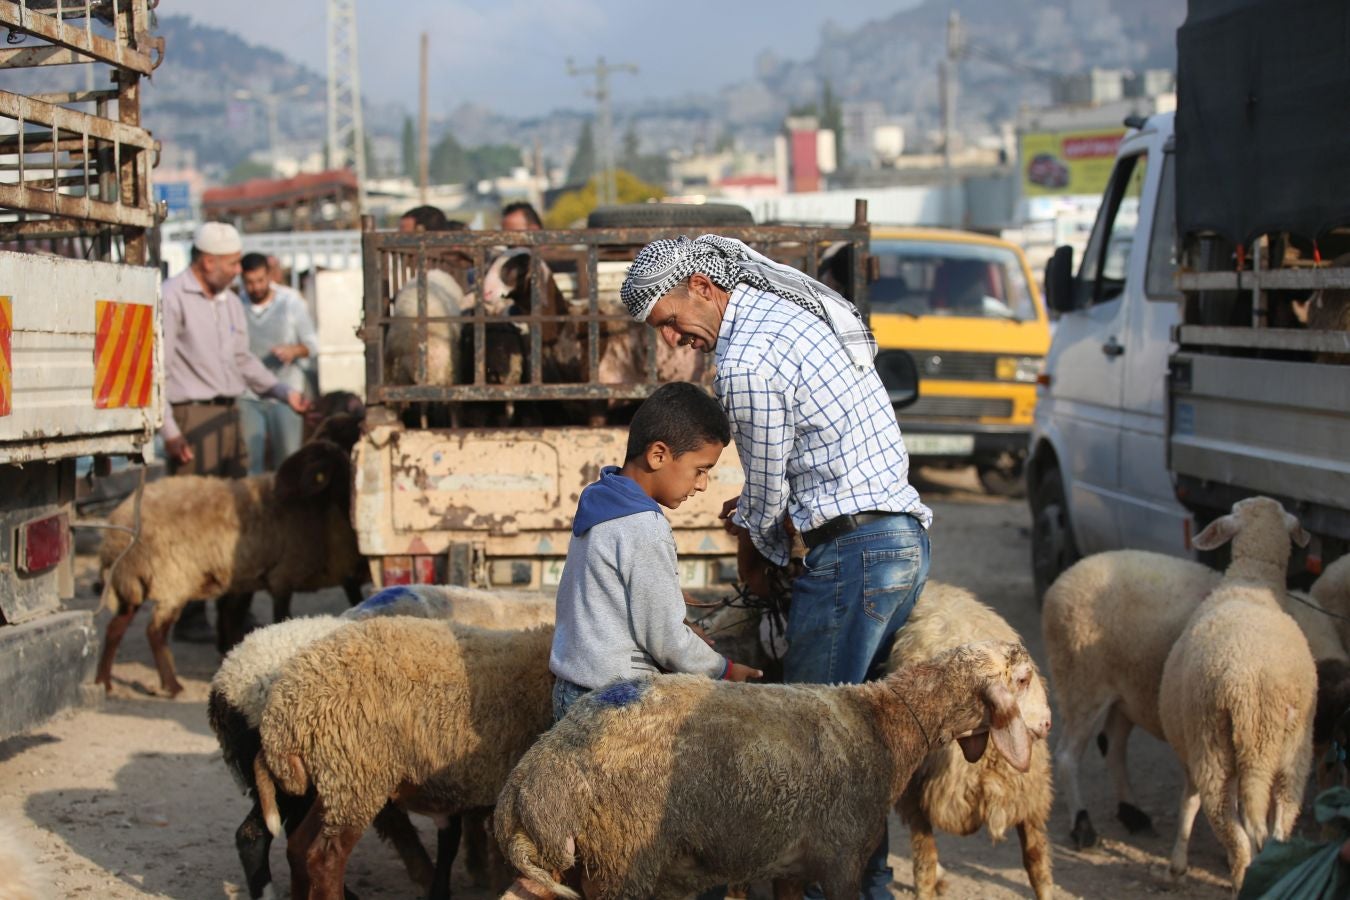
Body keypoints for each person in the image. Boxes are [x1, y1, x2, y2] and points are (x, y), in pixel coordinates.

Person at [621, 235, 932, 900]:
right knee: (856, 753)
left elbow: (765, 493)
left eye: (672, 320)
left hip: (853, 557)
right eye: (663, 333)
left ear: (702, 285)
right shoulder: (782, 313)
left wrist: (755, 543)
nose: (676, 339)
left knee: (810, 754)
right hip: (896, 541)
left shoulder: (743, 360)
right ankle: (870, 887)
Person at [549, 381, 762, 723]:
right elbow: (665, 641)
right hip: (615, 703)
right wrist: (724, 670)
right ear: (658, 455)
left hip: (571, 690)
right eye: (700, 470)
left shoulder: (603, 502)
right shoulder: (644, 525)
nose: (702, 484)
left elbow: (618, 610)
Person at [160, 222, 310, 643]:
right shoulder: (173, 298)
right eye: (231, 263)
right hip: (192, 418)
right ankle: (188, 613)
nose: (237, 270)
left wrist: (283, 393)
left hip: (231, 415)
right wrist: (170, 431)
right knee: (191, 520)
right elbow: (160, 369)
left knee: (234, 516)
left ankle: (231, 613)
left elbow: (243, 361)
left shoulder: (227, 301)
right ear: (207, 262)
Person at [237, 252, 320, 474]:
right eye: (250, 282)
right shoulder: (236, 305)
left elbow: (312, 345)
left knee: (288, 460)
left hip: (286, 393)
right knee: (250, 461)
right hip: (248, 395)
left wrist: (293, 351)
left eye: (260, 280)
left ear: (270, 276)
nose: (255, 287)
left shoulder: (290, 302)